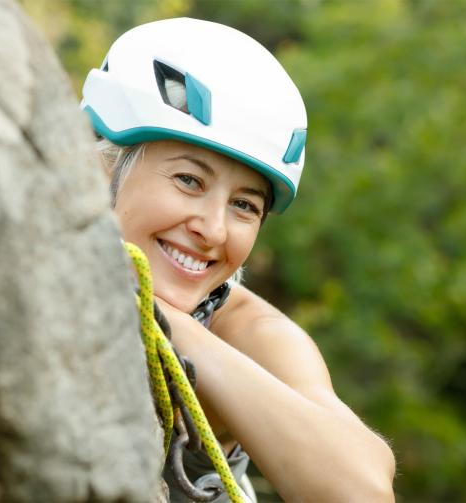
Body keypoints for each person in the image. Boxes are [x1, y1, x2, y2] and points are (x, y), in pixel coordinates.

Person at [81, 18, 395, 502]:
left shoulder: (248, 333)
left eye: (245, 205)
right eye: (189, 180)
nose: (215, 229)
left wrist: (175, 329)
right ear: (103, 165)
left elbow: (362, 492)